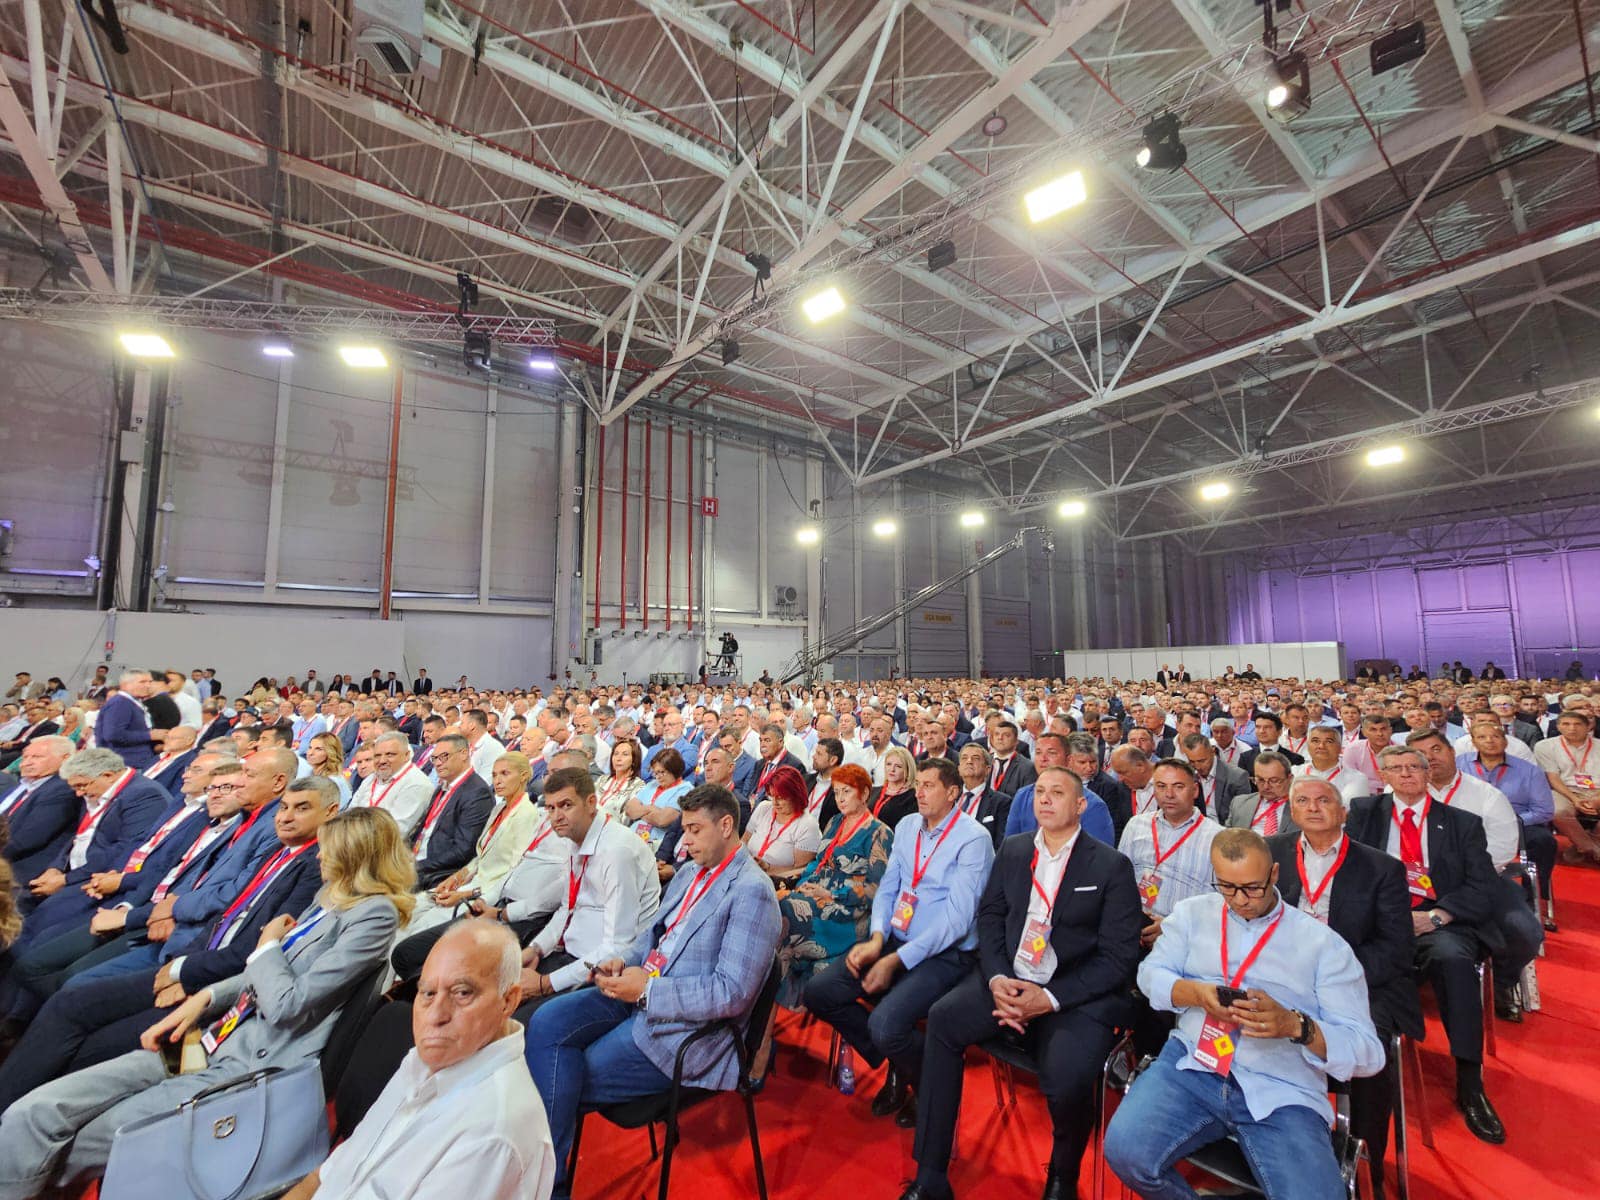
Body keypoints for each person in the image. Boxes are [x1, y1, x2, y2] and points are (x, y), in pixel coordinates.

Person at [0, 806, 416, 1196]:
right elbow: (263, 974)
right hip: (207, 1044)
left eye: (329, 849)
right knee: (37, 1111)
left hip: (251, 1063)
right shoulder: (330, 898)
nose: (320, 856)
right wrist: (206, 997)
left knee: (87, 1140)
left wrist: (268, 946)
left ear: (355, 856)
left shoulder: (374, 915)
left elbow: (287, 1001)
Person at [0, 776, 339, 1112]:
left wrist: (184, 972)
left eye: (301, 808)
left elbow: (257, 949)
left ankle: (26, 1119)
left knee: (93, 1046)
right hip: (195, 963)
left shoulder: (315, 867)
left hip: (221, 989)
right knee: (70, 1002)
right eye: (283, 808)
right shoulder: (280, 851)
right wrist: (179, 964)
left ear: (330, 812)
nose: (285, 817)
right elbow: (223, 918)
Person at [523, 784, 781, 1200]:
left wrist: (647, 992)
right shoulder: (690, 872)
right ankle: (546, 1181)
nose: (685, 842)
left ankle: (547, 1188)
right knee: (546, 1021)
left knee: (562, 1076)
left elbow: (731, 993)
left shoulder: (752, 891)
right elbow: (651, 939)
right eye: (685, 829)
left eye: (695, 830)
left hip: (682, 1028)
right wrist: (620, 961)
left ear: (726, 826)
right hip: (639, 990)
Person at [1103, 829, 1385, 1200]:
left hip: (1282, 1087)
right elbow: (1150, 976)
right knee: (1125, 1153)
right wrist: (1196, 994)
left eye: (1252, 888)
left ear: (1274, 874)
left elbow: (1369, 1053)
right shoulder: (1192, 915)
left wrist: (1296, 1026)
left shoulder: (1323, 945)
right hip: (1193, 1066)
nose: (1240, 900)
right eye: (1227, 887)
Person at [902, 767, 1142, 1200]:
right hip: (1008, 980)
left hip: (1071, 995)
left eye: (1057, 793)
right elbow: (991, 917)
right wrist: (997, 977)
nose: (1044, 799)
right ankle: (931, 1173)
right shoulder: (1013, 850)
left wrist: (1049, 998)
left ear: (1080, 805)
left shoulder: (1111, 866)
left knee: (1069, 1075)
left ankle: (1063, 1175)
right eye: (1039, 792)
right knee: (942, 1020)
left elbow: (1117, 958)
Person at [283, 920, 555, 1200]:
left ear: (508, 1001)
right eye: (427, 993)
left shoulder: (494, 1133)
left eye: (462, 993)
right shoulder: (425, 1061)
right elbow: (329, 1173)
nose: (435, 1016)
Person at [805, 758, 995, 1129]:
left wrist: (895, 960)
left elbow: (956, 922)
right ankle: (900, 1062)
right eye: (917, 784)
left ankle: (924, 1080)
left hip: (945, 955)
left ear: (952, 793)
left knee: (886, 1025)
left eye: (928, 786)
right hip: (895, 938)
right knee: (820, 992)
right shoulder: (907, 826)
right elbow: (889, 887)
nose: (918, 792)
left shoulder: (973, 839)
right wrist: (877, 938)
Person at [1269, 778, 1420, 1200]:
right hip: (1280, 976)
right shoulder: (1270, 853)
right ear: (1292, 811)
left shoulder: (1381, 868)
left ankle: (1366, 1159)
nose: (1313, 808)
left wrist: (1334, 978)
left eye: (1324, 801)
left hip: (1358, 983)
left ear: (1343, 813)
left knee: (1368, 1049)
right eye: (1303, 801)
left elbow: (1395, 949)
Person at [1346, 745, 1505, 1143]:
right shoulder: (1364, 813)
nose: (1405, 774)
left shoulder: (1462, 823)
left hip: (1438, 920)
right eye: (1395, 768)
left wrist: (1437, 916)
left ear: (1427, 773)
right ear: (1383, 776)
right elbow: (1347, 869)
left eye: (1413, 767)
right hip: (1380, 921)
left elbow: (1483, 888)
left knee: (1453, 960)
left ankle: (1470, 1080)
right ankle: (1352, 1072)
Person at [514, 768, 658, 1011]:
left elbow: (617, 946)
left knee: (519, 1023)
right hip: (568, 957)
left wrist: (545, 984)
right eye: (550, 808)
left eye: (566, 805)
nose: (556, 816)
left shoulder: (616, 851)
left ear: (591, 803)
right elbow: (568, 908)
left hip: (600, 973)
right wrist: (536, 948)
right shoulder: (577, 837)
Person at [407, 753, 543, 941]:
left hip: (487, 894)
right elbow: (480, 857)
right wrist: (455, 879)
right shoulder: (498, 808)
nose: (497, 780)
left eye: (505, 774)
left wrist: (466, 894)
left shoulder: (526, 814)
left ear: (523, 776)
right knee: (411, 909)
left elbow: (512, 873)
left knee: (421, 927)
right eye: (494, 775)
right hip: (471, 883)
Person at [1116, 759, 1222, 949]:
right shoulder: (1136, 825)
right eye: (1161, 786)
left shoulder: (1217, 838)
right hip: (1130, 929)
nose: (1169, 794)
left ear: (1195, 791)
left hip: (1185, 938)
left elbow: (1221, 905)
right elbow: (1118, 882)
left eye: (1178, 786)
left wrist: (1171, 926)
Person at [412, 734, 495, 889]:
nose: (437, 763)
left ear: (464, 754)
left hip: (435, 872)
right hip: (416, 859)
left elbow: (463, 851)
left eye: (444, 756)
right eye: (434, 758)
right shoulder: (443, 787)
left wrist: (416, 866)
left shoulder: (477, 792)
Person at [0, 737, 80, 886]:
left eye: (37, 757)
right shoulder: (23, 787)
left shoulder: (63, 789)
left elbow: (24, 840)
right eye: (25, 757)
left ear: (66, 759)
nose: (26, 763)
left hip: (21, 873)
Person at [1532, 708, 1600, 864]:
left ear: (1589, 726)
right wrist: (1575, 799)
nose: (1572, 728)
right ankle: (1590, 847)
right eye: (1566, 724)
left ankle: (1589, 841)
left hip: (1597, 790)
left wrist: (1597, 799)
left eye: (1577, 724)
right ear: (1558, 726)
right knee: (1556, 810)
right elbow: (1553, 778)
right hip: (1564, 790)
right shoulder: (1544, 746)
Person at [742, 765, 821, 881]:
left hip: (776, 882)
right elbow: (744, 841)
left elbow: (801, 871)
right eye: (772, 796)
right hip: (745, 872)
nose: (775, 803)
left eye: (780, 797)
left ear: (795, 795)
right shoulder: (763, 808)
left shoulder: (807, 825)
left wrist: (768, 868)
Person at [622, 746, 690, 851]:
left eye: (662, 772)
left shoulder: (685, 789)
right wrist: (650, 808)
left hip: (655, 844)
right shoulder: (652, 784)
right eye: (655, 773)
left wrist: (640, 813)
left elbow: (662, 820)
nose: (658, 776)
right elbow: (629, 810)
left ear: (674, 769)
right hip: (632, 836)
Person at [953, 743, 1012, 848]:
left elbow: (1000, 844)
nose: (969, 761)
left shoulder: (1001, 802)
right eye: (964, 758)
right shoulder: (949, 798)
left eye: (975, 758)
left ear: (987, 769)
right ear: (959, 769)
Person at [1223, 751, 1295, 834]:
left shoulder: (1301, 806)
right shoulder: (1239, 803)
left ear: (1290, 778)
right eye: (1260, 780)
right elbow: (1227, 837)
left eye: (1274, 780)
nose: (1266, 786)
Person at [1292, 726, 1371, 802]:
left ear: (1340, 747)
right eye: (1315, 741)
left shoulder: (1357, 778)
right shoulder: (1294, 772)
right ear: (1307, 745)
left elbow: (1344, 806)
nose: (1321, 746)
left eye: (1329, 741)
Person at [594, 737, 646, 818]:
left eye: (625, 754)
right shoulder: (602, 779)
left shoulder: (639, 786)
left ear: (634, 760)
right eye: (616, 754)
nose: (618, 758)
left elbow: (627, 819)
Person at [870, 745, 920, 827]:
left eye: (898, 766)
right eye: (888, 764)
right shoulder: (873, 791)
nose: (892, 769)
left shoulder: (914, 797)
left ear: (908, 769)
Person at [305, 731, 350, 805]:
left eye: (318, 749)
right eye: (310, 748)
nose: (310, 753)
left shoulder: (334, 781)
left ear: (330, 752)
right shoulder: (309, 773)